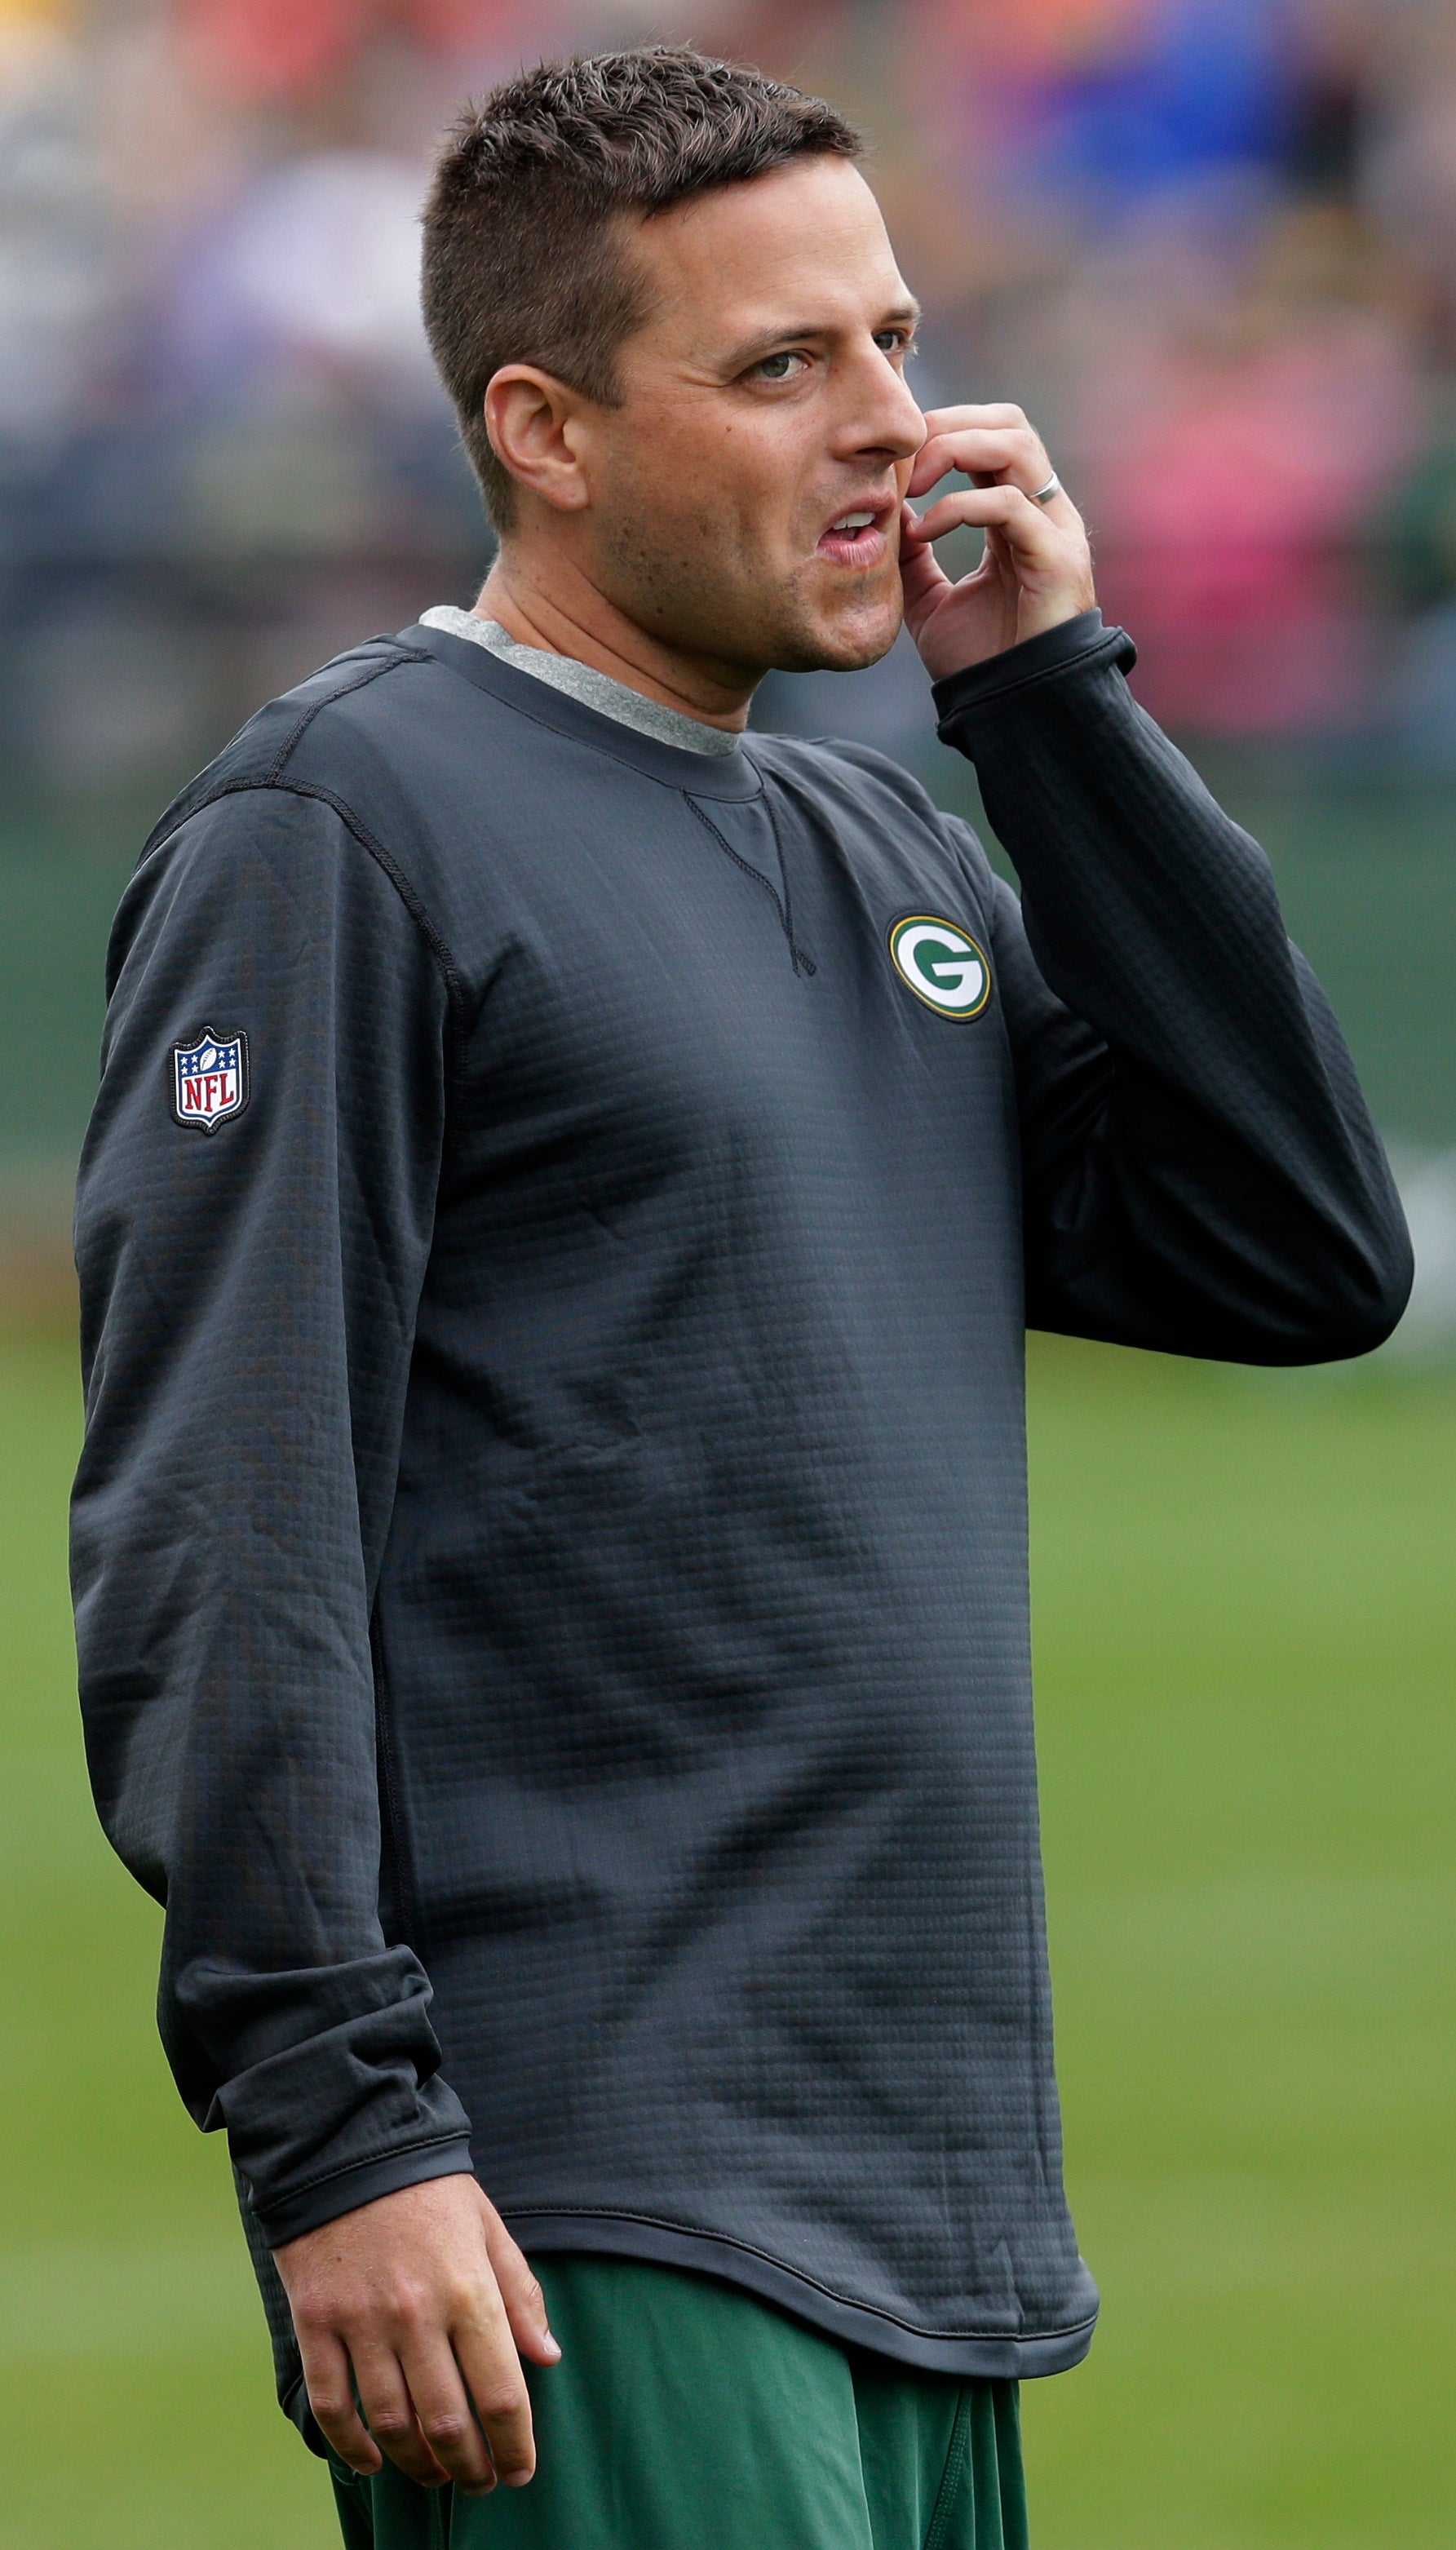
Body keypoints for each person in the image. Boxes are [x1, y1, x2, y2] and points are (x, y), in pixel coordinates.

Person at [70, 45, 1411, 2550]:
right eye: (783, 367)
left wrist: (1047, 707)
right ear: (543, 430)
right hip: (590, 2203)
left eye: (895, 339)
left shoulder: (868, 826)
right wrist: (343, 2132)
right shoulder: (341, 827)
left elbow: (1300, 1255)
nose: (894, 427)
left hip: (921, 2193)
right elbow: (213, 1529)